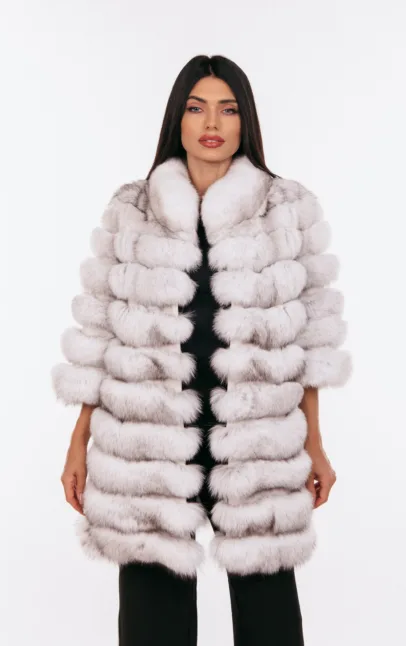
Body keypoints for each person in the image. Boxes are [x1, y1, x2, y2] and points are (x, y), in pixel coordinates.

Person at [51, 54, 352, 646]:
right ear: (178, 119)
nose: (211, 123)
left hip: (260, 444)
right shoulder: (132, 210)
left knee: (271, 623)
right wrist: (78, 441)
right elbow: (97, 335)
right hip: (147, 447)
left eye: (227, 109)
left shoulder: (285, 209)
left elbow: (311, 341)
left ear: (245, 122)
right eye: (196, 108)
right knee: (152, 627)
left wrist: (314, 443)